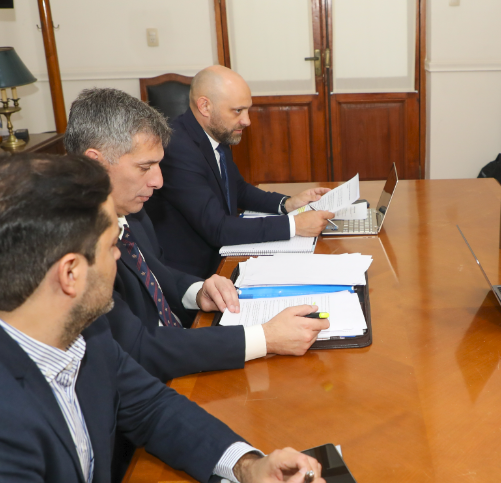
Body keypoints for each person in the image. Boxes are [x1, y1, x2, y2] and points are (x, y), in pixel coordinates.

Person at [0, 154, 333, 483]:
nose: (121, 254)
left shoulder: (83, 332)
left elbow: (152, 408)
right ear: (70, 274)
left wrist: (247, 465)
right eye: (112, 244)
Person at [63, 88, 329, 383]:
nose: (158, 181)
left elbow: (157, 273)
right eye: (144, 167)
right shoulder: (74, 246)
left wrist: (198, 291)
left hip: (180, 348)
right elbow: (138, 347)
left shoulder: (131, 210)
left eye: (158, 165)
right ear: (95, 163)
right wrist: (264, 338)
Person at [145, 65, 335, 277]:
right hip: (195, 274)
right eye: (237, 111)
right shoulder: (177, 148)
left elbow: (238, 188)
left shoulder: (215, 132)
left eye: (247, 110)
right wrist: (293, 225)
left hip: (223, 255)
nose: (247, 121)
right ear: (205, 106)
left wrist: (287, 204)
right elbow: (218, 228)